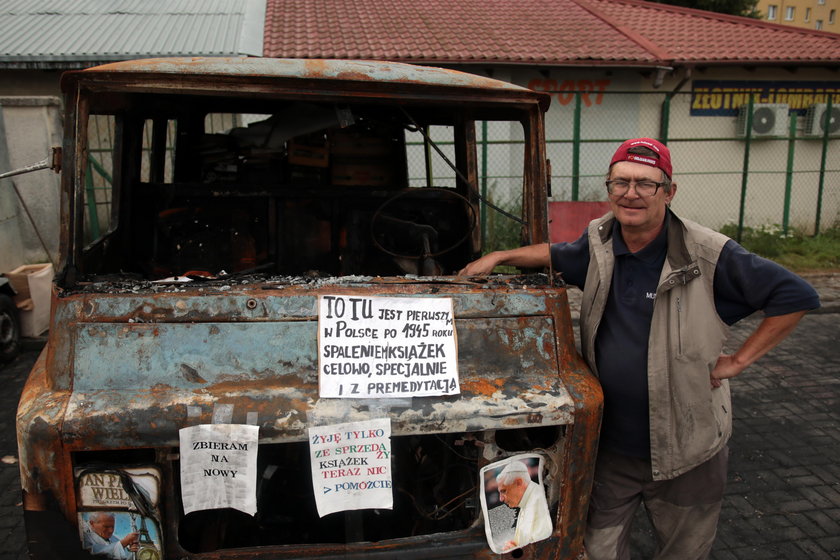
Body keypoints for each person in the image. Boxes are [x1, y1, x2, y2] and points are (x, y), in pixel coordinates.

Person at [460, 138, 820, 560]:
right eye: (621, 182)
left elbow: (795, 295)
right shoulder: (600, 243)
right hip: (610, 449)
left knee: (684, 551)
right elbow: (556, 254)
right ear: (609, 188)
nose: (632, 193)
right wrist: (500, 256)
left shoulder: (708, 254)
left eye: (646, 184)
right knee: (597, 548)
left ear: (669, 192)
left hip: (688, 448)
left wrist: (737, 362)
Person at [495, 460, 552, 551]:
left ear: (518, 482)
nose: (501, 499)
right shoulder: (526, 500)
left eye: (504, 491)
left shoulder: (538, 501)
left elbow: (542, 551)